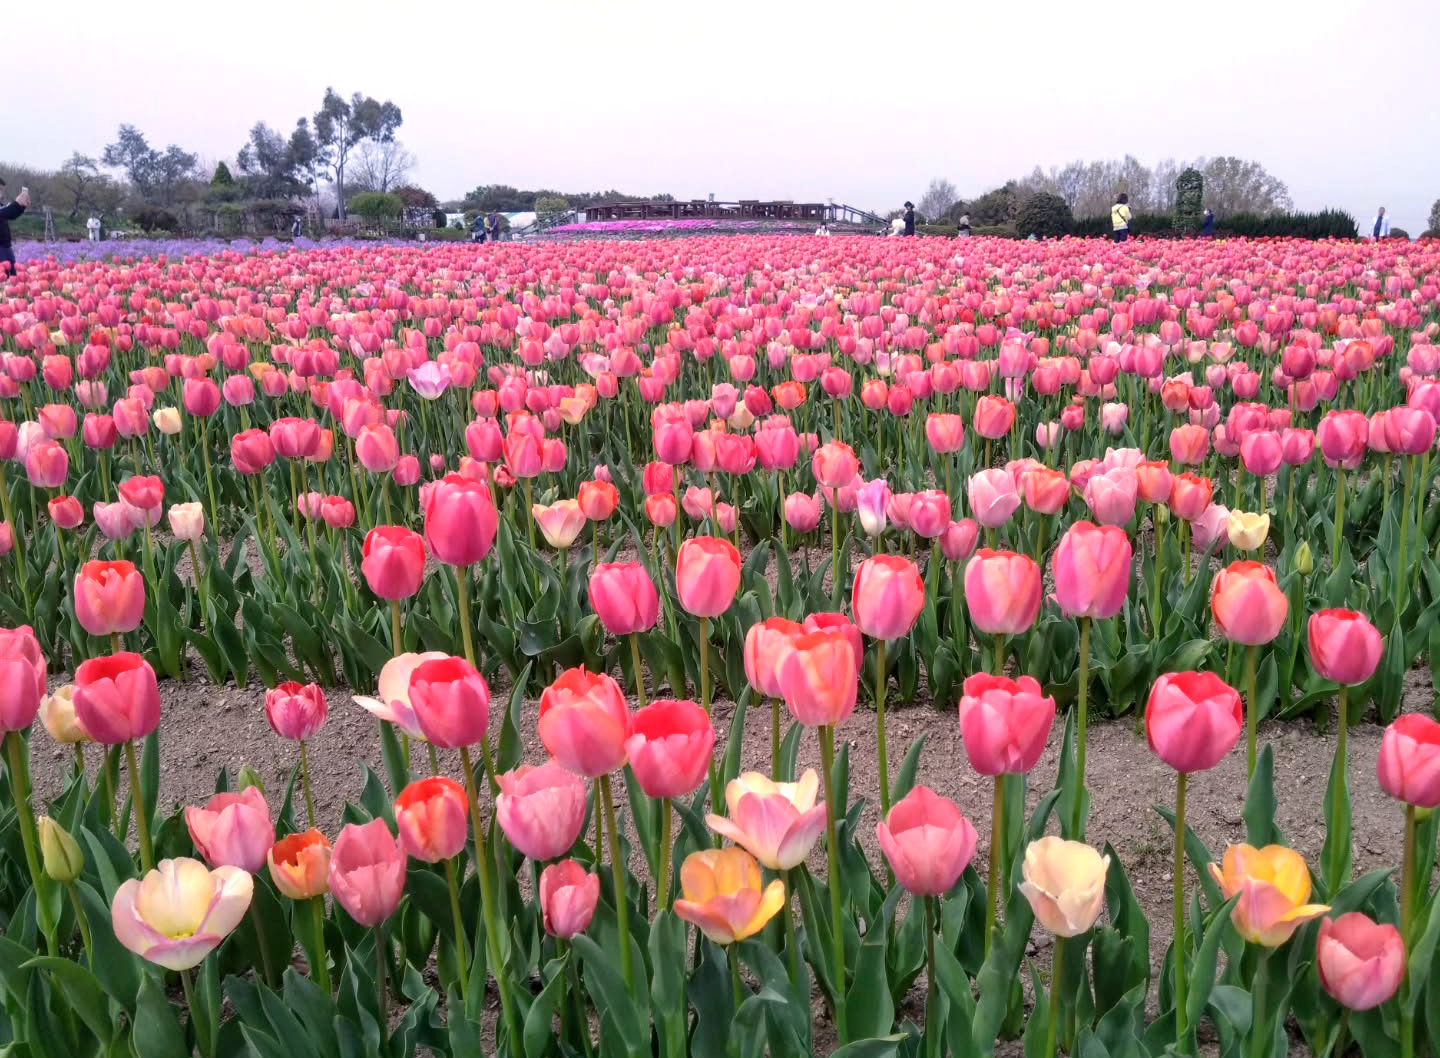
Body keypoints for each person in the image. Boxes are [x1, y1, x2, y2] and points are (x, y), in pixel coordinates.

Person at [0, 179, 29, 274]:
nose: (1, 193)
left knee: (12, 276)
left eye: (2, 190)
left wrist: (21, 206)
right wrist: (16, 203)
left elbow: (10, 214)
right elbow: (3, 212)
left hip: (6, 246)